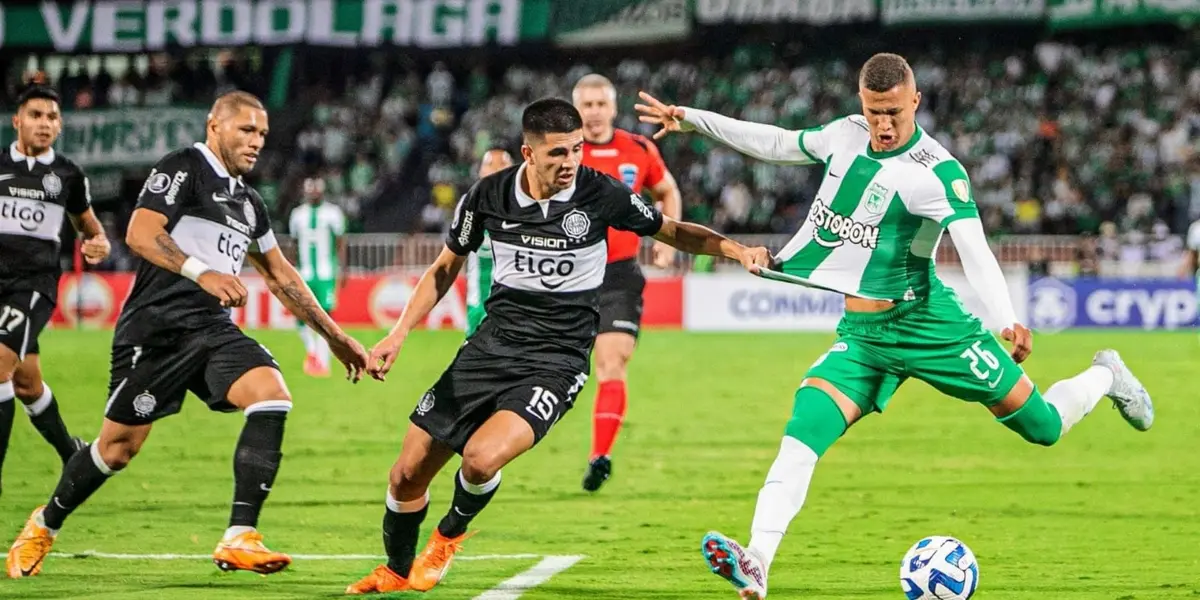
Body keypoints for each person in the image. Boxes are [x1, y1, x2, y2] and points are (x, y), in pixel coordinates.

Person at [635, 53, 1155, 599]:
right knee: (802, 434)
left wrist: (1007, 318)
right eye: (873, 111)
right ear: (862, 103)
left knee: (1043, 427)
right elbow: (778, 143)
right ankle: (758, 561)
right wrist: (693, 117)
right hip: (863, 339)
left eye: (894, 114)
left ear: (916, 102)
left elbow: (974, 249)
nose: (883, 125)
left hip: (931, 325)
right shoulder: (845, 135)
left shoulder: (939, 172)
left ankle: (1106, 375)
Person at [345, 98, 770, 595]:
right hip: (489, 349)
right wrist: (398, 334)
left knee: (480, 459)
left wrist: (735, 248)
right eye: (557, 155)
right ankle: (395, 571)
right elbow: (444, 268)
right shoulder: (488, 196)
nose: (569, 163)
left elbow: (671, 230)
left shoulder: (599, 192)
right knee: (405, 474)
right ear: (528, 153)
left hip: (556, 360)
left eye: (575, 150)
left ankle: (446, 539)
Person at [6, 91, 370, 579]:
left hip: (212, 329)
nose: (256, 141)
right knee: (116, 450)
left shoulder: (249, 203)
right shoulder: (185, 166)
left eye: (262, 133)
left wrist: (333, 335)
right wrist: (203, 273)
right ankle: (44, 524)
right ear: (214, 126)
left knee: (271, 396)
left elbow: (281, 275)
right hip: (155, 330)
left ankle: (240, 534)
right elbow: (139, 232)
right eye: (246, 129)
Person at [572, 74, 684, 492]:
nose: (594, 112)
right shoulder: (562, 152)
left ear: (613, 108)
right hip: (568, 276)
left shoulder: (638, 149)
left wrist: (668, 240)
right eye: (587, 104)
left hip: (618, 273)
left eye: (601, 104)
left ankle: (600, 454)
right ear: (576, 109)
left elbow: (667, 191)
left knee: (611, 363)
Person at [0, 85, 109, 496]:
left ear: (59, 126)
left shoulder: (67, 175)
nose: (44, 124)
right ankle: (71, 453)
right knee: (26, 383)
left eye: (51, 118)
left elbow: (91, 228)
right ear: (17, 121)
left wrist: (97, 243)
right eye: (35, 115)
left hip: (33, 286)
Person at [288, 177, 347, 377]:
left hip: (326, 273)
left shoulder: (333, 213)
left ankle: (323, 359)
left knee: (326, 316)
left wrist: (343, 269)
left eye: (317, 189)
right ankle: (312, 353)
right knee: (300, 313)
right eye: (310, 189)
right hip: (304, 273)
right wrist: (290, 270)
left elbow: (340, 243)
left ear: (322, 191)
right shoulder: (297, 215)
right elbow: (293, 245)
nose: (313, 192)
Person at [463, 148, 515, 336]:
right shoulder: (470, 204)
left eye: (502, 164)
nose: (496, 170)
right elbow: (455, 251)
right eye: (490, 165)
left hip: (515, 303)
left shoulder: (525, 204)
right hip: (480, 300)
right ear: (480, 171)